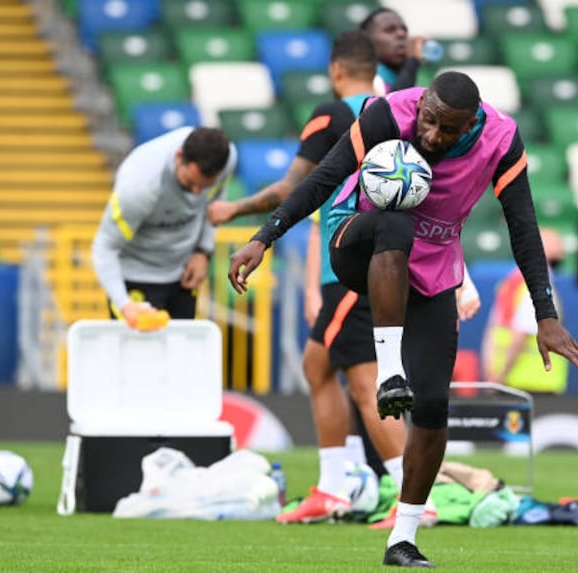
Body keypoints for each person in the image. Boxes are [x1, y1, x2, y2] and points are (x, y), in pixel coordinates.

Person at [228, 71, 578, 567]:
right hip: (357, 238)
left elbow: (523, 225)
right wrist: (263, 237)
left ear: (473, 124)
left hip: (433, 268)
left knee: (434, 409)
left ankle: (403, 538)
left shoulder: (501, 139)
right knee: (396, 222)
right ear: (420, 103)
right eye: (429, 121)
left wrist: (545, 314)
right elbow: (323, 178)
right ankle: (388, 369)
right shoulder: (387, 113)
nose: (432, 136)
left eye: (449, 129)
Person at [209, 30, 411, 523]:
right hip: (384, 258)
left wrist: (234, 208)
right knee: (318, 365)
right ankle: (335, 486)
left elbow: (291, 186)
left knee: (366, 384)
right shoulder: (399, 113)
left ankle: (411, 497)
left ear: (337, 70)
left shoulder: (334, 115)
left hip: (350, 264)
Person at [92, 127, 236, 326]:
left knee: (181, 356)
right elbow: (104, 247)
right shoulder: (138, 188)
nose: (196, 194)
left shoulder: (227, 159)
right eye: (190, 183)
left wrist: (203, 251)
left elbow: (215, 205)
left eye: (204, 186)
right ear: (179, 156)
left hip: (183, 277)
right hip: (136, 279)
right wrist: (125, 304)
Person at [481, 227, 570, 394]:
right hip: (533, 384)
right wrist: (500, 377)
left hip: (508, 382)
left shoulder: (511, 282)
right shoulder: (535, 285)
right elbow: (521, 334)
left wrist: (492, 376)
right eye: (555, 242)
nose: (561, 248)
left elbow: (491, 332)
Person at [360, 7, 427, 95]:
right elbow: (392, 106)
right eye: (389, 30)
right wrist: (412, 62)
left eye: (404, 30)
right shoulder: (364, 81)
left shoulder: (416, 78)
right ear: (367, 40)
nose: (401, 34)